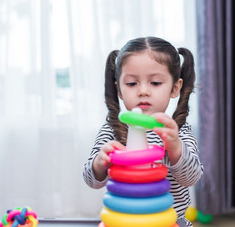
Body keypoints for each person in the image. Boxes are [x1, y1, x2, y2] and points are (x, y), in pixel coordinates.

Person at [83, 36, 203, 227]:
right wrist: (100, 163)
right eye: (132, 84)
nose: (143, 91)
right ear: (120, 90)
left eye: (155, 83)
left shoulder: (178, 131)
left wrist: (175, 148)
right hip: (123, 221)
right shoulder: (111, 131)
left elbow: (191, 178)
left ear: (175, 87)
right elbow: (92, 181)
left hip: (171, 222)